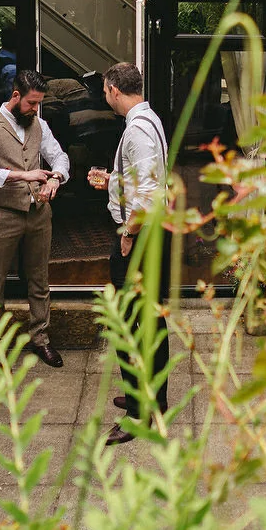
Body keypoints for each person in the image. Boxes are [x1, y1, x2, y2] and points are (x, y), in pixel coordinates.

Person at [87, 62, 171, 446]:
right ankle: (156, 399)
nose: (105, 97)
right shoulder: (149, 119)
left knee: (130, 324)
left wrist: (128, 235)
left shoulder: (136, 130)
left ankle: (138, 412)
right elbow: (142, 179)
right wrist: (113, 182)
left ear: (113, 90)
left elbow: (149, 194)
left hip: (138, 237)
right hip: (150, 234)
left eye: (105, 92)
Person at [0, 69, 70, 368]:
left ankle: (41, 340)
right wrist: (22, 175)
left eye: (39, 103)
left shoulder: (41, 124)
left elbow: (60, 157)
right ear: (16, 96)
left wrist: (57, 179)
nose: (35, 109)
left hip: (39, 215)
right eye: (31, 103)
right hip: (3, 215)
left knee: (40, 281)